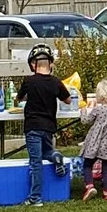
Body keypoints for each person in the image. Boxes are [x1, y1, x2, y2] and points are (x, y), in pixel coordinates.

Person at [18, 47, 72, 203]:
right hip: (49, 126)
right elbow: (68, 100)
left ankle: (35, 197)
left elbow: (20, 98)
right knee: (46, 152)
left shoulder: (29, 81)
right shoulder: (56, 82)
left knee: (36, 163)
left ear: (33, 65)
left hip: (33, 126)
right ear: (51, 64)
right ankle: (55, 156)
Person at [75, 79, 107, 199]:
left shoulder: (99, 109)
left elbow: (86, 121)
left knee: (87, 164)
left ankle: (90, 186)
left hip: (95, 142)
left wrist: (83, 111)